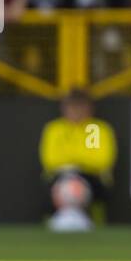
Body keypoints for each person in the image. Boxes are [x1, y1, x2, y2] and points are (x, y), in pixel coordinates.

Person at [39, 88, 117, 228]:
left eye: (80, 106)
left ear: (89, 108)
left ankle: (90, 223)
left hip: (90, 177)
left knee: (77, 183)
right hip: (60, 176)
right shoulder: (55, 129)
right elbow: (50, 160)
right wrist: (80, 158)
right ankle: (58, 221)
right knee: (63, 183)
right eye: (72, 106)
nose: (76, 111)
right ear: (63, 108)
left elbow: (101, 160)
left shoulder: (93, 129)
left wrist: (73, 159)